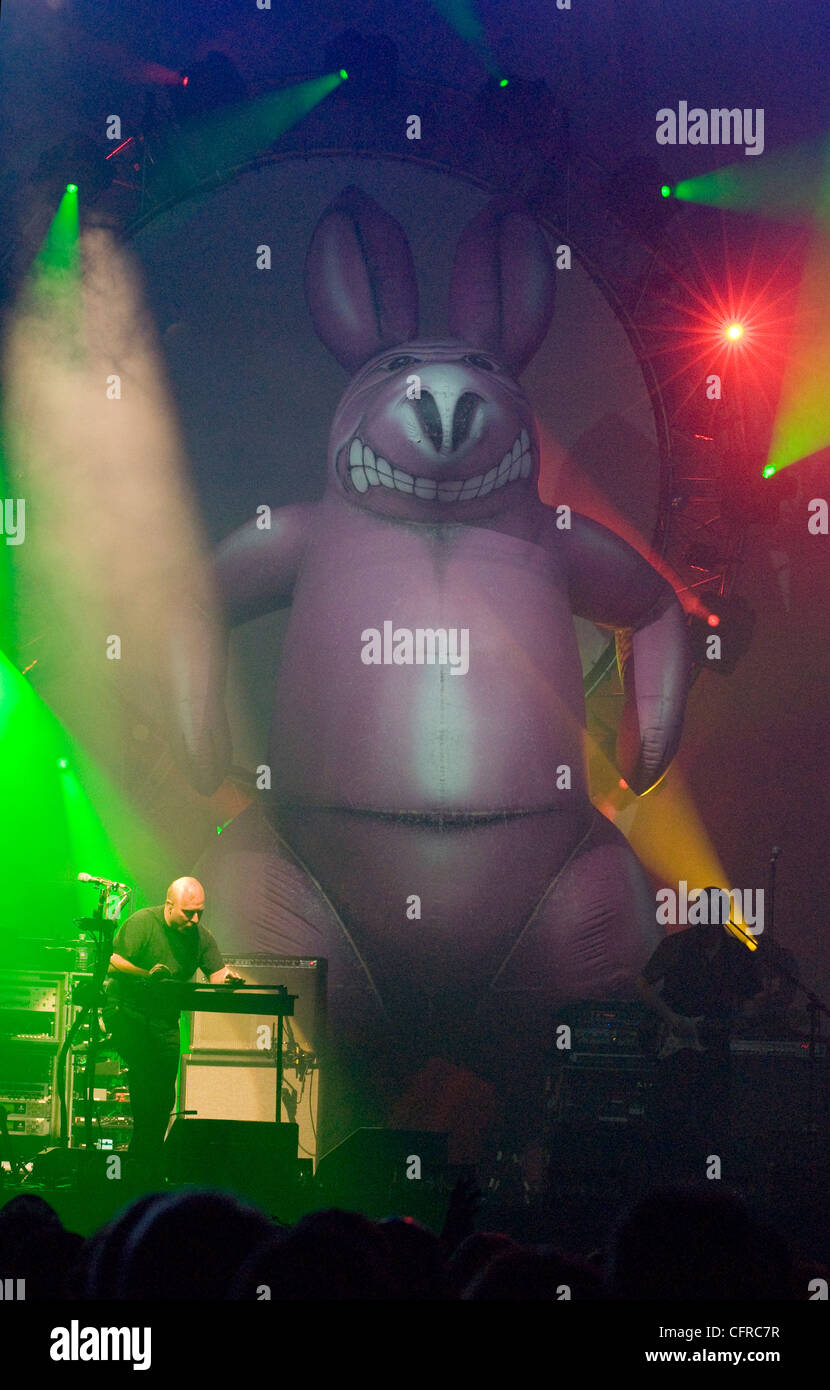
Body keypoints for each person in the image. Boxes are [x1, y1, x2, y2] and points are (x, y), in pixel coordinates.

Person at [102, 877, 243, 1187]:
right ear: (169, 906)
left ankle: (145, 1161)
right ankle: (141, 1161)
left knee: (165, 1094)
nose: (194, 920)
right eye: (188, 913)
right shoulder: (143, 923)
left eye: (199, 913)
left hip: (164, 1020)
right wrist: (147, 975)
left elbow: (217, 974)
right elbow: (113, 962)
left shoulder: (200, 937)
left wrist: (229, 978)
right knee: (145, 1081)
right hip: (127, 1013)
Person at [636, 887, 763, 1177]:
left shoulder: (736, 953)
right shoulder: (676, 945)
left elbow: (752, 997)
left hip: (714, 1044)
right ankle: (666, 1178)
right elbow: (642, 984)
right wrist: (670, 1018)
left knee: (713, 1117)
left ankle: (711, 1180)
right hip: (675, 1044)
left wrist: (746, 1016)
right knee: (672, 1115)